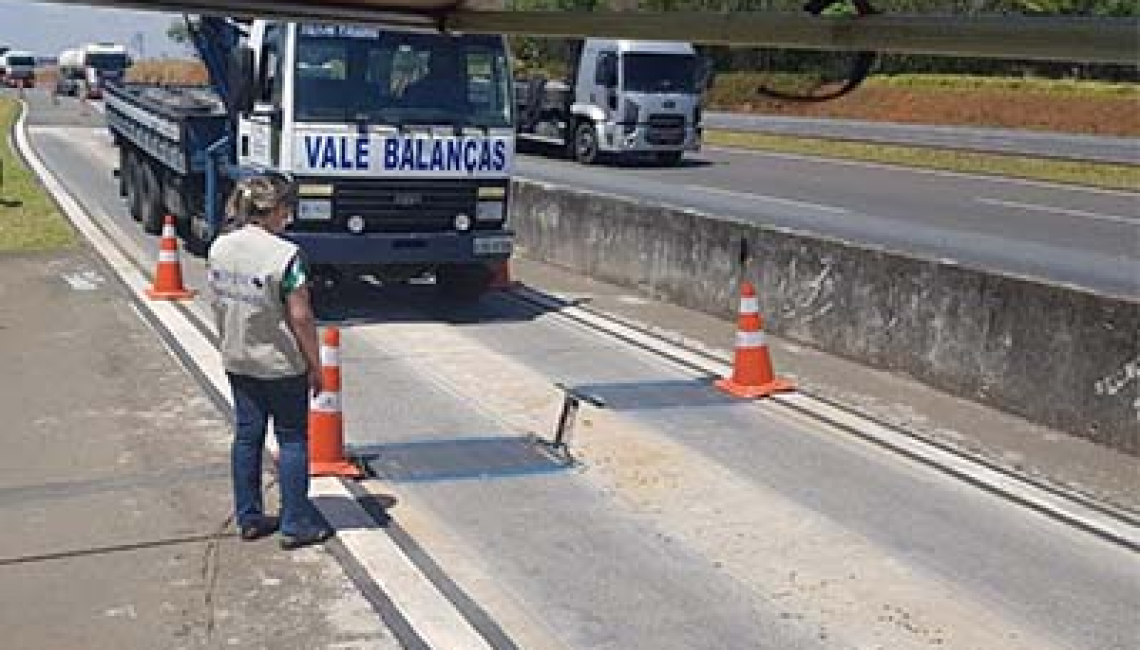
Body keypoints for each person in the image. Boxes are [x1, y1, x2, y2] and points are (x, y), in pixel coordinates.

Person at [207, 173, 334, 550]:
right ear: (273, 211)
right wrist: (316, 364)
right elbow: (300, 316)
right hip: (280, 364)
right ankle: (295, 523)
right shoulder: (287, 256)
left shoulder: (220, 247)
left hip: (237, 356)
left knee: (248, 435)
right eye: (286, 210)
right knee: (292, 439)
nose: (289, 219)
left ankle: (249, 517)